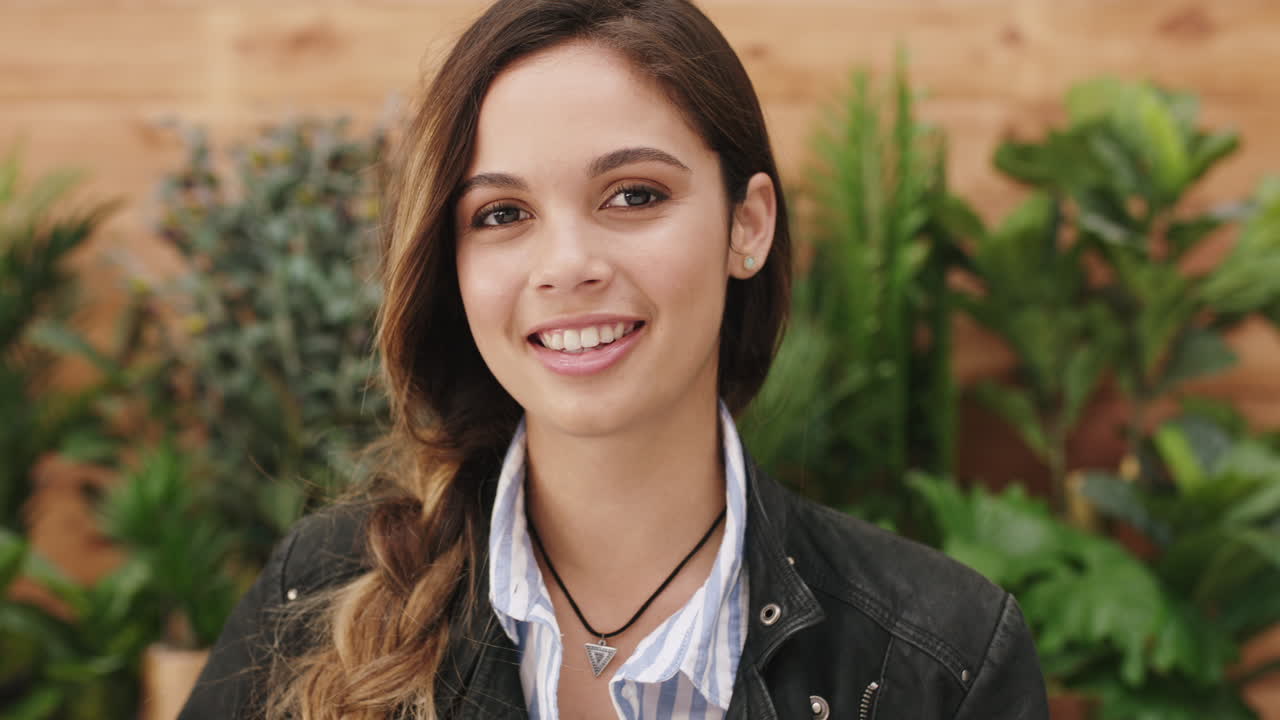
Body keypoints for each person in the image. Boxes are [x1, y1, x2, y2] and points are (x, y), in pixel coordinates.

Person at [179, 1, 1049, 718]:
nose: (567, 266)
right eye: (502, 214)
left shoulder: (944, 660)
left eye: (634, 195)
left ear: (747, 226)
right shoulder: (321, 593)